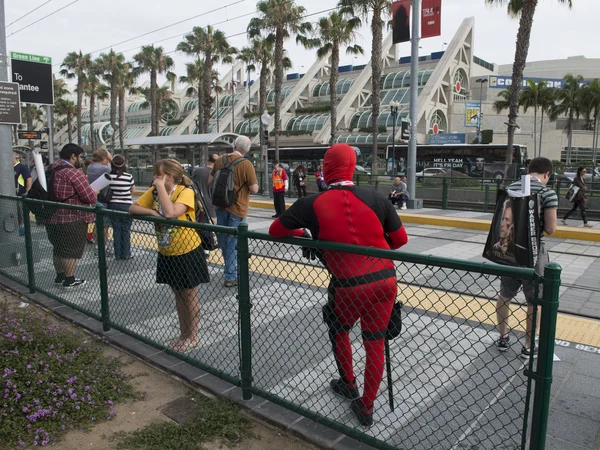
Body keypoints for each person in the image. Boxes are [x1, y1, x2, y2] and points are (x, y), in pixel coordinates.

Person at [268, 143, 409, 427]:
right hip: (385, 281)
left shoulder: (311, 203)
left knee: (339, 328)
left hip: (347, 284)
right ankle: (366, 407)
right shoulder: (376, 197)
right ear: (352, 166)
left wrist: (305, 232)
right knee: (375, 343)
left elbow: (276, 230)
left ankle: (348, 383)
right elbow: (400, 240)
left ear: (326, 167)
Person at [130, 159, 209, 352]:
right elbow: (133, 208)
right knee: (178, 293)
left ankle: (192, 336)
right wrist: (151, 211)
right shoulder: (157, 191)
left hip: (187, 250)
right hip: (167, 250)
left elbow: (171, 213)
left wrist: (160, 189)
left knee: (189, 295)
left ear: (169, 177)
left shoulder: (185, 192)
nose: (154, 178)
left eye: (158, 175)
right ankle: (183, 334)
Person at [495, 157, 558, 359]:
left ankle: (503, 337)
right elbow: (550, 229)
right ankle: (528, 345)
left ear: (529, 169)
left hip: (509, 250)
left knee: (505, 294)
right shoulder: (547, 192)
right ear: (547, 174)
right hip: (533, 254)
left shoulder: (511, 187)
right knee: (534, 300)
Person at [45, 144, 97, 288]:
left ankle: (60, 276)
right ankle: (70, 279)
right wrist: (94, 193)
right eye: (81, 156)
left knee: (58, 248)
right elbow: (89, 197)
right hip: (72, 218)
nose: (81, 159)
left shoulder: (51, 168)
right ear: (73, 156)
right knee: (70, 251)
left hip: (51, 216)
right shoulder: (73, 173)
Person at [209, 136, 259, 287]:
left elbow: (210, 182)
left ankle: (230, 269)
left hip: (220, 205)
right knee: (233, 242)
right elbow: (254, 189)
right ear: (247, 149)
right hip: (238, 208)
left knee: (224, 240)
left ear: (234, 146)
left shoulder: (220, 160)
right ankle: (230, 275)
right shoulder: (246, 164)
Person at [107, 155, 135, 260]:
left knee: (116, 230)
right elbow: (133, 190)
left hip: (112, 205)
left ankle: (117, 254)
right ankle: (126, 254)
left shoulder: (109, 176)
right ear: (124, 164)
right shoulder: (128, 176)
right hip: (126, 205)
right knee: (126, 230)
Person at [87, 148, 113, 248]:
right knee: (104, 224)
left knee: (98, 222)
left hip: (94, 198)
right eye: (106, 159)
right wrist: (111, 159)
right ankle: (102, 246)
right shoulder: (105, 169)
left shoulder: (90, 167)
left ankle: (95, 240)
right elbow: (114, 168)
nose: (107, 161)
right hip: (103, 199)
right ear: (103, 158)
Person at [192, 153, 218, 222]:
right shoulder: (216, 174)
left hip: (196, 205)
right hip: (210, 208)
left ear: (208, 160)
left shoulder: (197, 171)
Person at [13, 153, 32, 236]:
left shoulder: (21, 167)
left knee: (21, 213)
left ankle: (23, 228)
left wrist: (28, 191)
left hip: (20, 194)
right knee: (16, 213)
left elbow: (28, 178)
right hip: (13, 195)